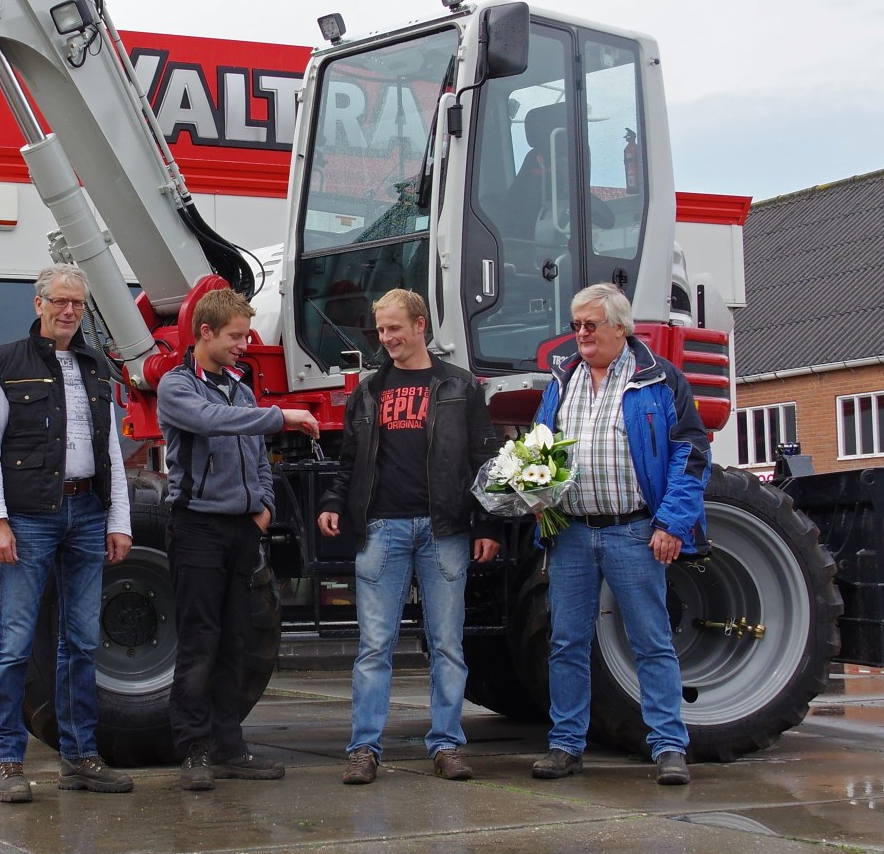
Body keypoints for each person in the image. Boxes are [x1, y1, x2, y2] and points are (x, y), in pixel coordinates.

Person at [316, 289, 501, 785]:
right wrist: (334, 503)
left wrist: (487, 525)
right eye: (381, 330)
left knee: (446, 644)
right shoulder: (368, 392)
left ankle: (446, 746)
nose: (387, 338)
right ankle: (363, 749)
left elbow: (485, 463)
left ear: (421, 325)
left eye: (395, 328)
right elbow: (349, 462)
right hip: (381, 528)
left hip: (446, 530)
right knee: (374, 645)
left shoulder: (460, 387)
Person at [530, 283, 709, 786]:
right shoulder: (563, 378)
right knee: (566, 642)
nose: (580, 335)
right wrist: (532, 494)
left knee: (650, 641)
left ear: (620, 327)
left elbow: (690, 454)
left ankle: (670, 747)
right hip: (570, 534)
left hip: (634, 530)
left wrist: (672, 523)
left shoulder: (659, 379)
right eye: (575, 326)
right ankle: (565, 746)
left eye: (590, 325)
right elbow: (540, 444)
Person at [0, 263, 134, 803]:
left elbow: (110, 448)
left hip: (87, 512)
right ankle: (6, 762)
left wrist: (119, 521)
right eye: (60, 301)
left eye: (77, 304)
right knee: (14, 645)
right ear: (38, 303)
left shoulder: (95, 366)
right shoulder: (8, 362)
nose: (69, 310)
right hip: (29, 521)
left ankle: (80, 757)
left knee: (82, 644)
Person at [157, 287, 322, 791]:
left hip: (242, 528)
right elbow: (214, 423)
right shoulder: (176, 386)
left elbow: (256, 455)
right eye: (235, 336)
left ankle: (230, 747)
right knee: (199, 642)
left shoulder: (242, 390)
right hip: (198, 528)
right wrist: (284, 415)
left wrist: (264, 506)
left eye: (245, 334)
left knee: (237, 641)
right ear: (204, 333)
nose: (243, 345)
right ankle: (194, 751)